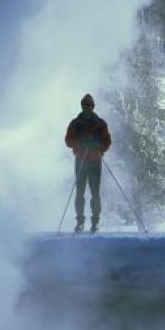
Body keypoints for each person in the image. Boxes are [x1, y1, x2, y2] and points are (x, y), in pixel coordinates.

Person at [65, 94, 111, 233]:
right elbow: (68, 140)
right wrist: (81, 143)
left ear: (93, 106)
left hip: (95, 161)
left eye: (89, 105)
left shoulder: (100, 123)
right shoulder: (75, 123)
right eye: (84, 105)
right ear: (81, 106)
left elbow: (107, 142)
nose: (87, 107)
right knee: (79, 192)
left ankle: (95, 222)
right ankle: (80, 221)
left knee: (95, 193)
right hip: (80, 160)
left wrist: (97, 146)